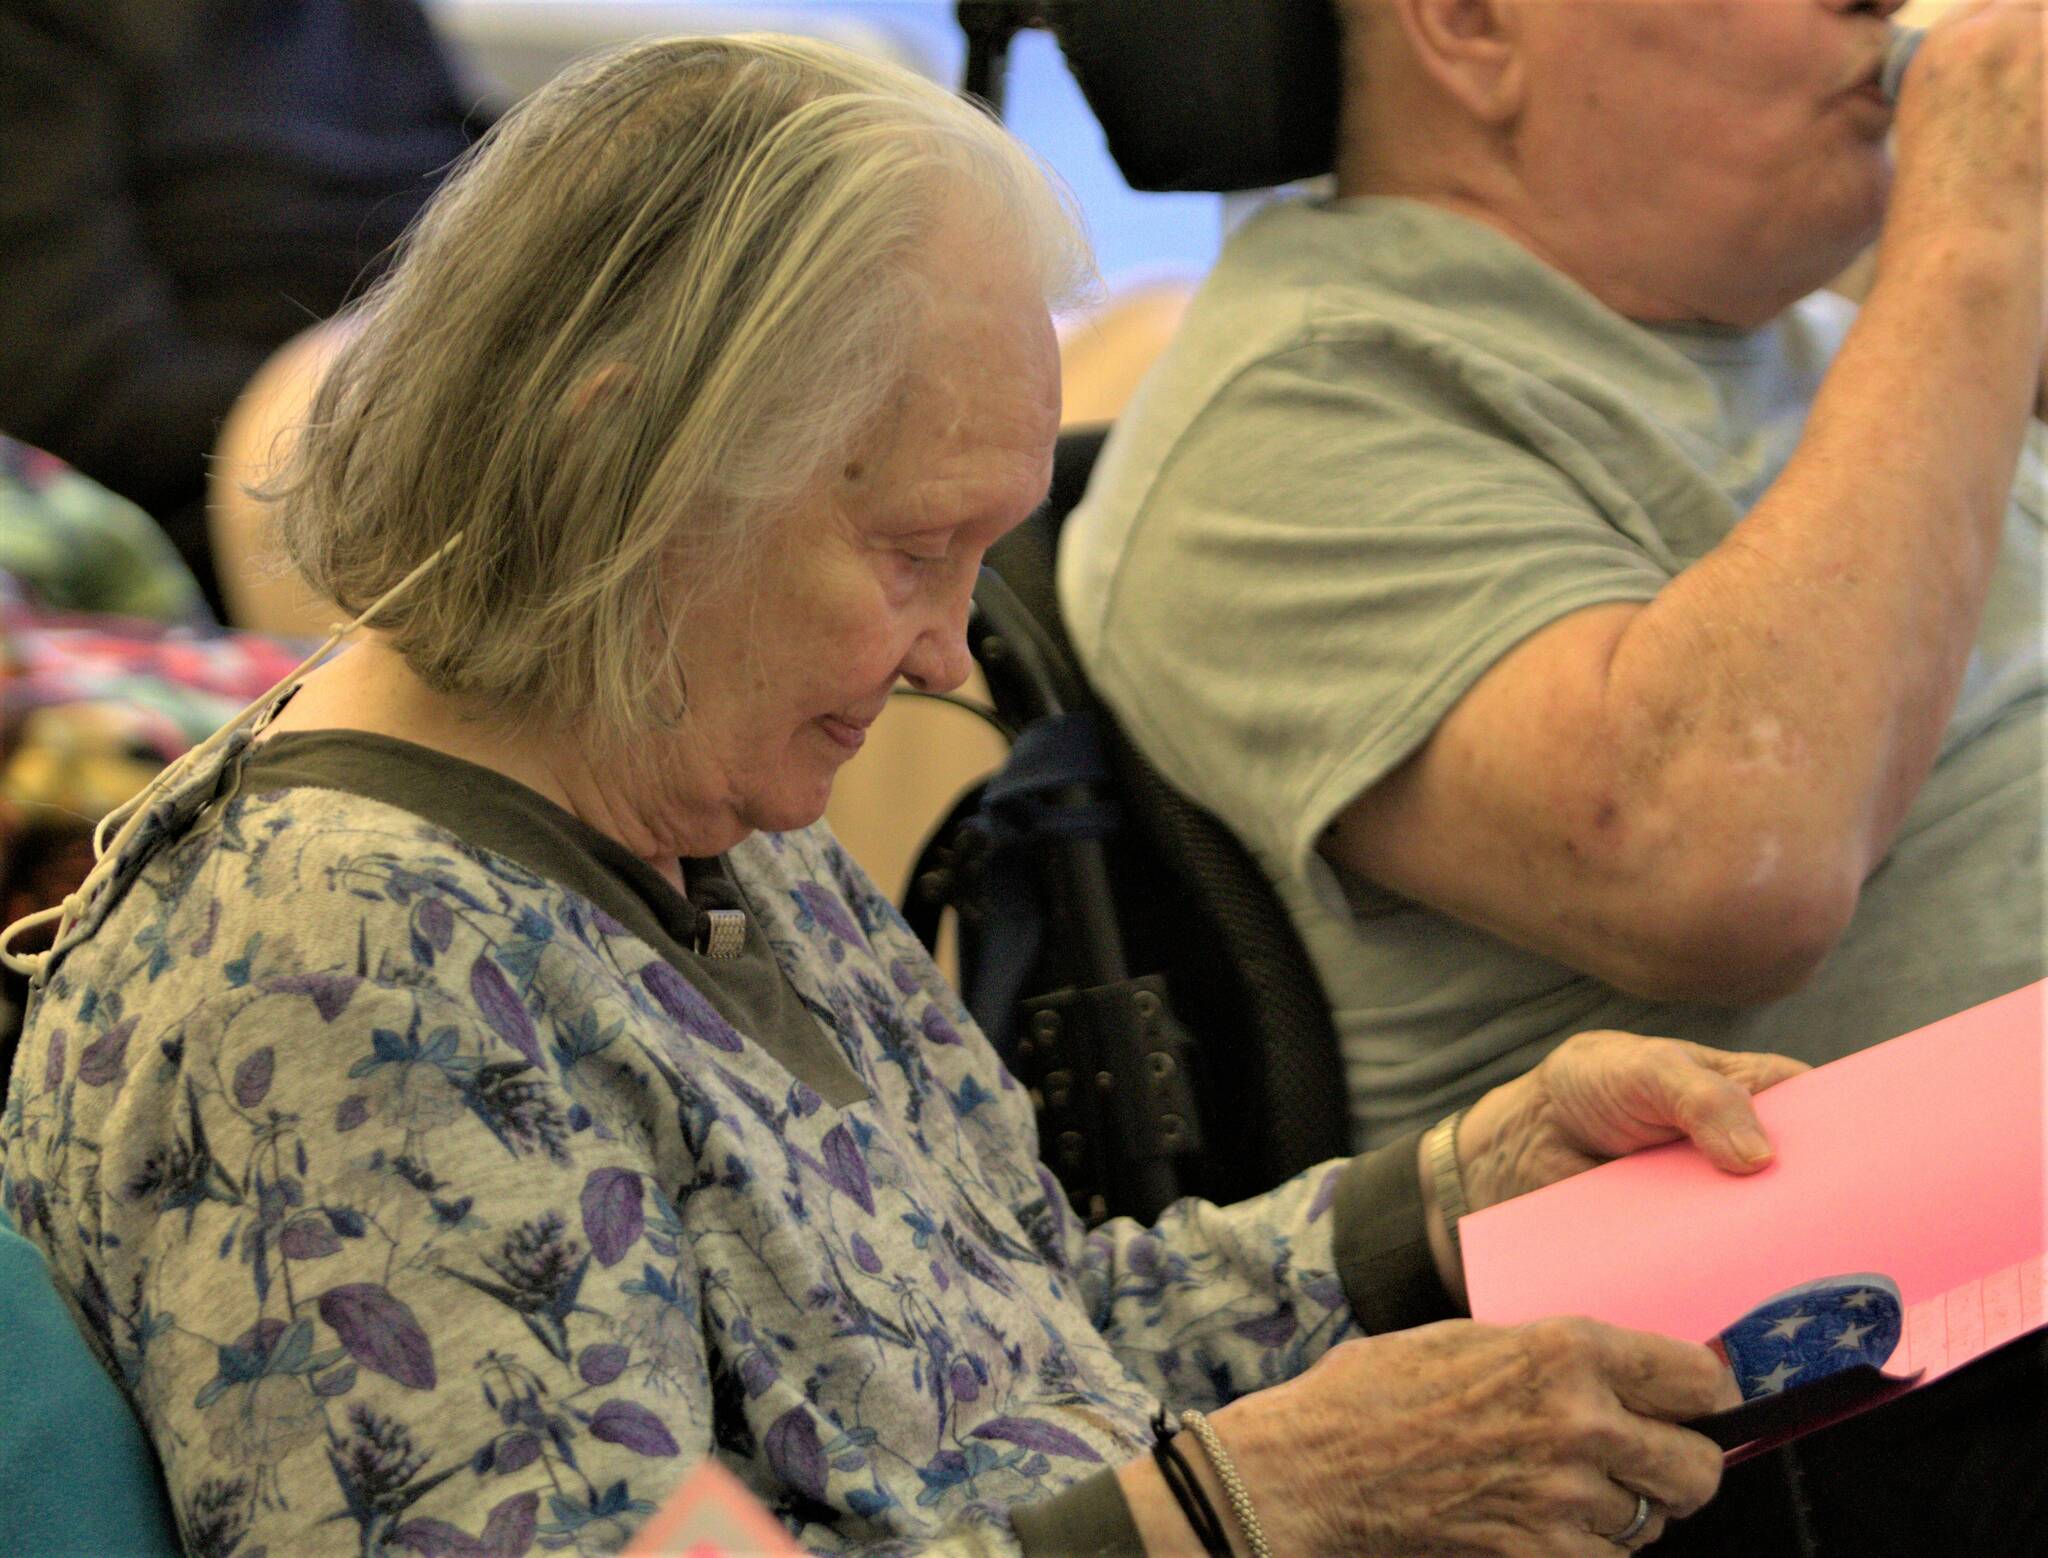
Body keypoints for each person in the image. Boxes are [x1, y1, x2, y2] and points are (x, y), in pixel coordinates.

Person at [0, 36, 1816, 1556]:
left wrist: (1446, 1194)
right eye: (905, 549)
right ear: (617, 457)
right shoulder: (343, 968)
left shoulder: (686, 795)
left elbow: (1019, 1332)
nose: (953, 655)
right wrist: (1257, 1498)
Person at [1059, 0, 2045, 1149]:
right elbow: (1724, 864)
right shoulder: (1295, 414)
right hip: (1874, 1287)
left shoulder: (1811, 344)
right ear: (1470, 23)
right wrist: (1971, 238)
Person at [0, 0, 482, 615]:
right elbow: (80, 393)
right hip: (240, 491)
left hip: (423, 390)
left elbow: (486, 179)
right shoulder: (37, 27)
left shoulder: (366, 17)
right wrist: (402, 404)